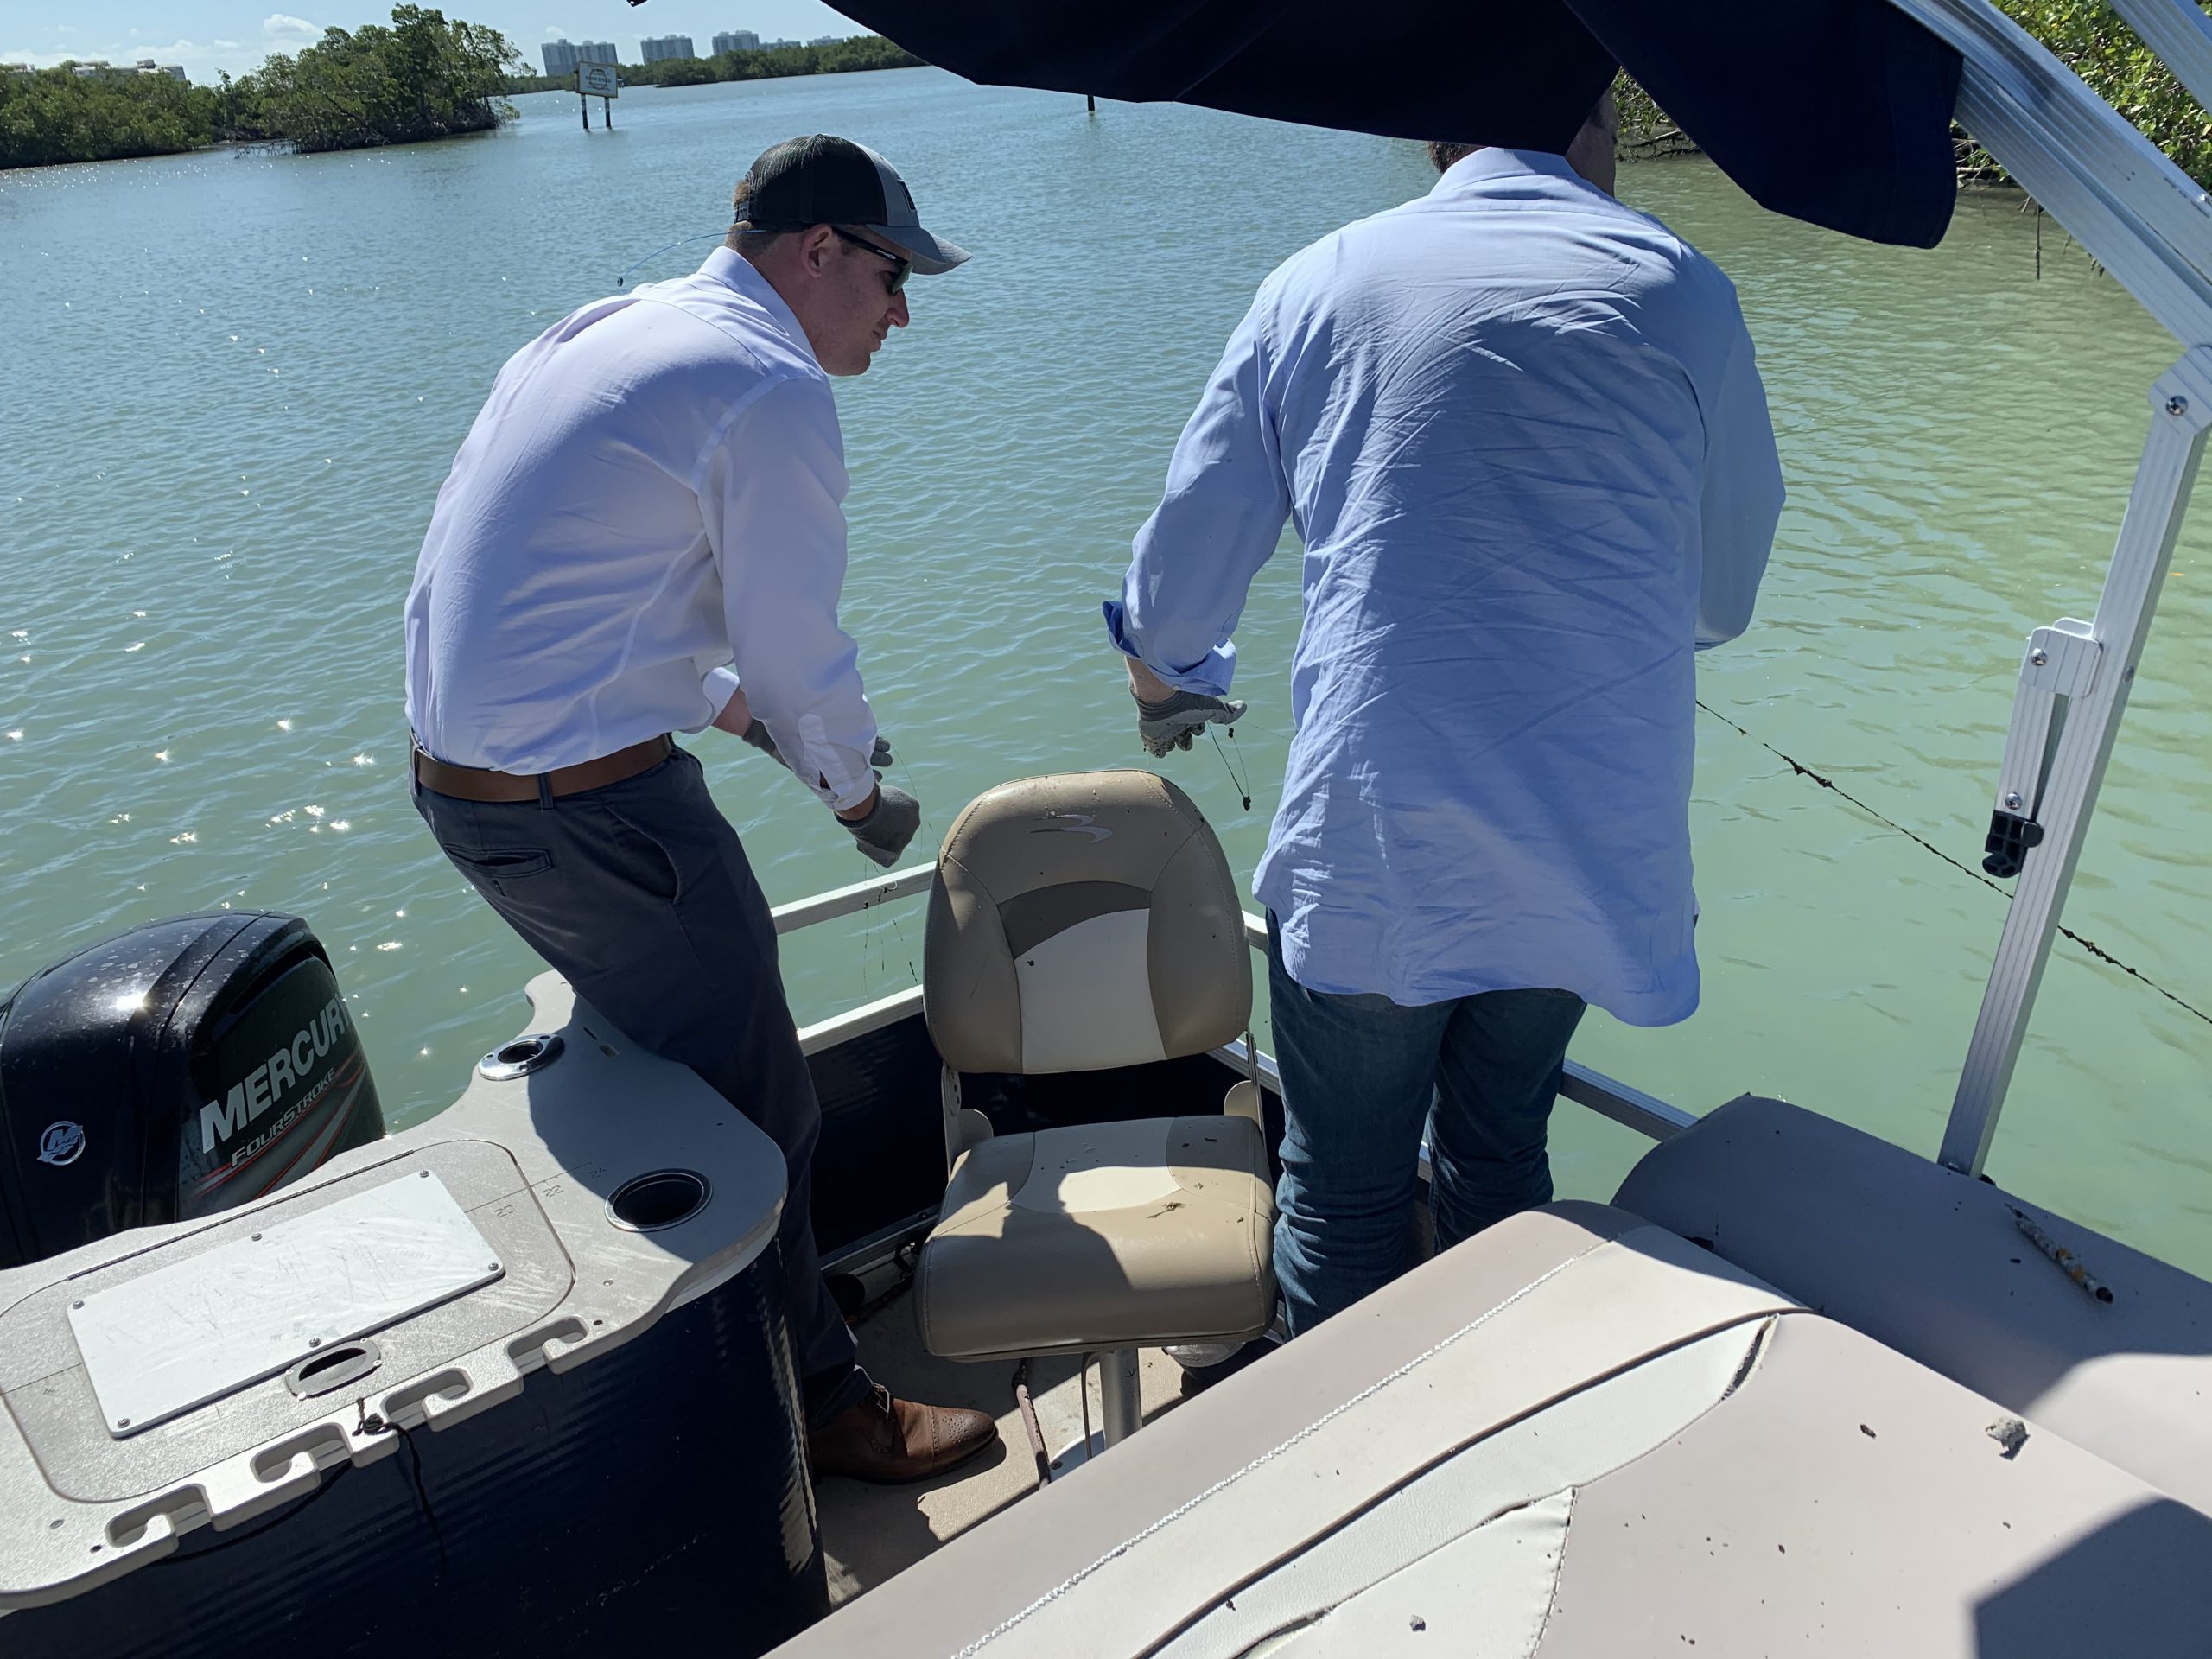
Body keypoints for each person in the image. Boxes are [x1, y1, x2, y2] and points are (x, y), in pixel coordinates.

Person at [1105, 90, 1784, 1337]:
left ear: (1433, 132)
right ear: (1600, 120)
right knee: (1502, 1160)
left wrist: (1166, 680)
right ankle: (1497, 1415)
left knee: (1342, 1195)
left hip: (1374, 853)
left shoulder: (1320, 281)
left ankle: (1348, 1445)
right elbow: (1722, 598)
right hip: (1584, 854)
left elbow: (1180, 582)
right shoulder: (1686, 288)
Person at [404, 135, 996, 1481]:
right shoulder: (767, 380)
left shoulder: (606, 331)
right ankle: (827, 1407)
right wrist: (856, 793)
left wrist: (754, 727)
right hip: (594, 817)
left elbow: (603, 618)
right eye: (894, 277)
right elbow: (796, 650)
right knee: (762, 1112)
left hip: (479, 799)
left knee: (686, 1090)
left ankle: (751, 1328)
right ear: (820, 250)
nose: (901, 314)